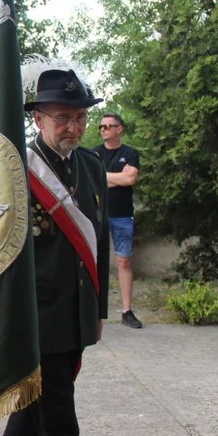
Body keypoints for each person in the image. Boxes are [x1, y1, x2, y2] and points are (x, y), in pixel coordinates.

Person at [0, 66, 109, 436]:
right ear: (37, 118)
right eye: (63, 118)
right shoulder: (16, 170)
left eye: (79, 118)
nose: (73, 127)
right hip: (34, 315)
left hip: (75, 310)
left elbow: (99, 242)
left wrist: (99, 307)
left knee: (42, 398)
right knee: (59, 417)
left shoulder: (93, 167)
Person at [94, 113, 142, 329]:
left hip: (122, 215)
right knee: (93, 261)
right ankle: (93, 311)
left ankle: (127, 311)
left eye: (108, 126)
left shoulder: (130, 153)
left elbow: (130, 178)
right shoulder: (93, 153)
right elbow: (92, 180)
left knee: (123, 261)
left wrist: (104, 177)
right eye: (101, 127)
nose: (103, 129)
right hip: (96, 214)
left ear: (119, 129)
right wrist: (117, 178)